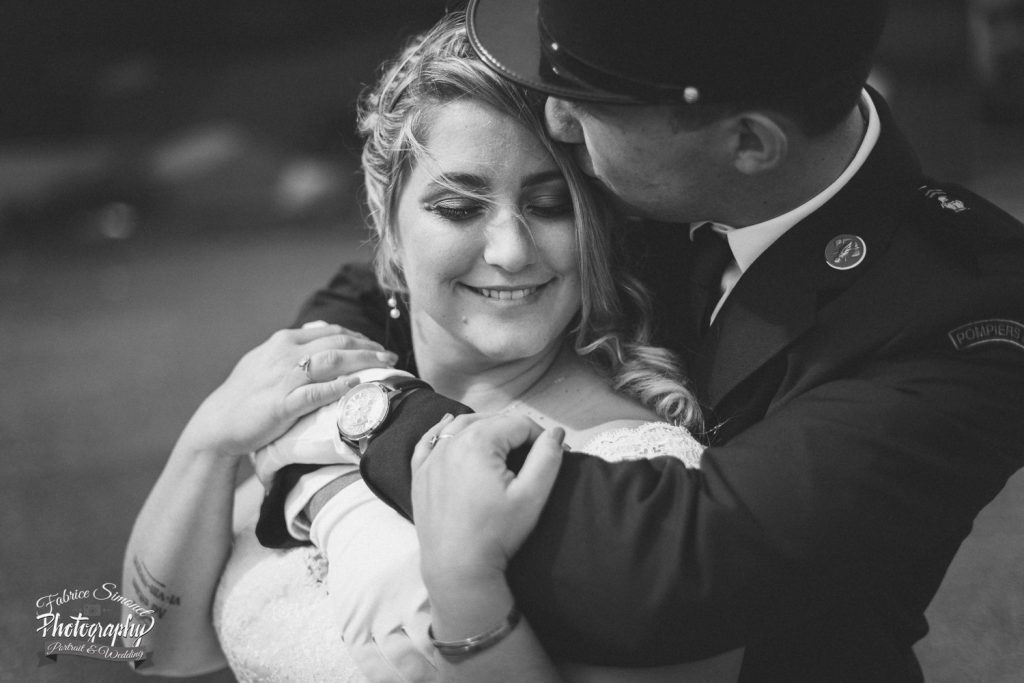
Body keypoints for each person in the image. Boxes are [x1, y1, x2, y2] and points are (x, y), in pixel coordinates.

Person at [257, 0, 1024, 681]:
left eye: (592, 102)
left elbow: (669, 567)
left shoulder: (960, 314)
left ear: (749, 143)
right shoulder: (650, 168)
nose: (559, 120)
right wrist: (319, 377)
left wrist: (366, 420)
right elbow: (385, 286)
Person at [123, 13, 743, 682]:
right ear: (386, 222)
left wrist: (468, 594)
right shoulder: (345, 390)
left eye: (549, 205)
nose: (511, 251)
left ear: (596, 223)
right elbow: (154, 648)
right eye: (459, 208)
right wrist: (207, 445)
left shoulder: (637, 474)